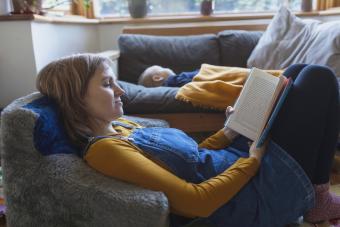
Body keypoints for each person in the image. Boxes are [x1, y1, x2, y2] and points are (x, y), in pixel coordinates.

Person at [36, 54, 340, 227]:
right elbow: (197, 202)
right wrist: (253, 160)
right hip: (256, 194)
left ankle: (317, 195)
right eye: (107, 84)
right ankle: (317, 197)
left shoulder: (120, 126)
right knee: (319, 78)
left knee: (294, 73)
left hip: (238, 162)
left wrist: (230, 129)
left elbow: (192, 157)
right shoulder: (104, 152)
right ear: (76, 99)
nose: (121, 90)